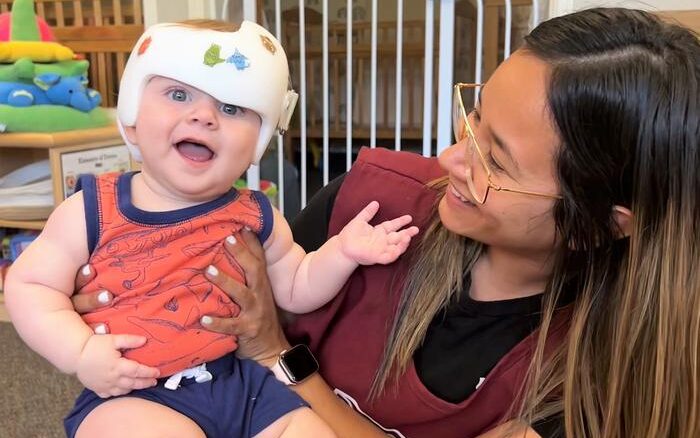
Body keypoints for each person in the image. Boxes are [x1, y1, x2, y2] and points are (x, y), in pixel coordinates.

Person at [72, 7, 698, 438]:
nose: (451, 159)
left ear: (602, 223)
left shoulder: (610, 373)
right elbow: (225, 281)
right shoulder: (373, 201)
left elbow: (264, 333)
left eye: (494, 158)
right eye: (473, 118)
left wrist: (275, 355)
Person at [4, 19, 420, 438]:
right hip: (135, 392)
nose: (203, 116)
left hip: (240, 385)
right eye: (178, 95)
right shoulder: (93, 209)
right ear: (131, 117)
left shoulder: (257, 215)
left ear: (258, 143)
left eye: (231, 108)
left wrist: (342, 253)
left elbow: (297, 286)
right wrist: (79, 353)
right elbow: (30, 286)